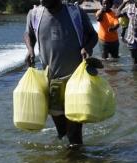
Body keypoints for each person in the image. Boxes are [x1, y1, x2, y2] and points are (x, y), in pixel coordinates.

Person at [23, 0, 98, 146]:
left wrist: (87, 48)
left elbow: (93, 35)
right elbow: (28, 34)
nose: (42, 1)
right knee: (62, 132)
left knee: (74, 135)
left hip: (76, 81)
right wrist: (30, 49)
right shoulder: (35, 14)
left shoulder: (75, 13)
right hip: (52, 82)